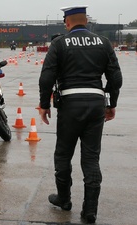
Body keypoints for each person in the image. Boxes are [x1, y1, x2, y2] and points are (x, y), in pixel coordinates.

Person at [38, 5, 122, 224]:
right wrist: (111, 103)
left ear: (67, 22)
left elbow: (47, 77)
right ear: (87, 21)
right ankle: (90, 211)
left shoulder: (59, 43)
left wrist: (43, 104)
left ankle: (64, 200)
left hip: (70, 105)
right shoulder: (103, 43)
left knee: (63, 154)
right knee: (91, 158)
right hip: (95, 104)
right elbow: (115, 78)